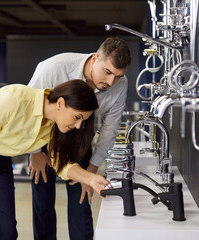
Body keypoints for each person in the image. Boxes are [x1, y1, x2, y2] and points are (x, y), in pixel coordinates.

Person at [0, 80, 109, 240]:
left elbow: (61, 164)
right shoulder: (14, 99)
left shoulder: (54, 126)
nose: (79, 126)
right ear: (60, 103)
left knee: (6, 232)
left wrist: (91, 178)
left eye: (83, 121)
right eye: (77, 117)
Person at [28, 37, 131, 239]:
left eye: (118, 76)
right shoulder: (53, 68)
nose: (111, 82)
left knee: (82, 204)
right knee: (43, 204)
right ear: (94, 59)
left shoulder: (120, 85)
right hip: (44, 139)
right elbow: (29, 110)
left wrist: (90, 173)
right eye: (108, 72)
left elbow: (109, 130)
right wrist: (35, 153)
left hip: (81, 139)